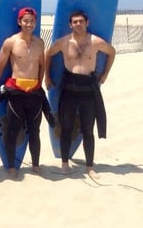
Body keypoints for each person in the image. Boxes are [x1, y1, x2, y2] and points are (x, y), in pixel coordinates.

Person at [44, 10, 116, 179]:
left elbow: (112, 52)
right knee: (66, 127)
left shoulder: (95, 41)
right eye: (75, 22)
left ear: (87, 22)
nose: (78, 24)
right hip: (69, 89)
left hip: (88, 91)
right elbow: (48, 54)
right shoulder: (63, 42)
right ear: (70, 24)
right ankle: (64, 164)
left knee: (88, 130)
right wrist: (47, 76)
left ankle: (90, 166)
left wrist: (105, 74)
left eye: (81, 21)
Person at [0, 7, 53, 178]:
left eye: (32, 21)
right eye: (25, 20)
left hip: (34, 92)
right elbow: (0, 67)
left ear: (35, 22)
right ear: (19, 22)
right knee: (12, 130)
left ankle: (36, 165)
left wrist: (39, 85)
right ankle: (11, 167)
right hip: (16, 91)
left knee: (35, 130)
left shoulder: (40, 43)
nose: (29, 24)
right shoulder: (10, 42)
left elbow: (41, 66)